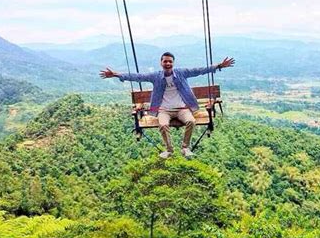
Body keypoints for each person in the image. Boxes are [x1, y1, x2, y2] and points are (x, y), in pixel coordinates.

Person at [100, 52, 235, 158]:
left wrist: (218, 66)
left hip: (182, 108)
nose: (168, 63)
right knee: (163, 125)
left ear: (173, 63)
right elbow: (138, 77)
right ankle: (169, 150)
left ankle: (185, 147)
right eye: (165, 61)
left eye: (170, 61)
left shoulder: (182, 73)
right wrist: (117, 74)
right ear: (161, 63)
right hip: (164, 110)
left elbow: (199, 70)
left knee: (191, 121)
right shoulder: (155, 76)